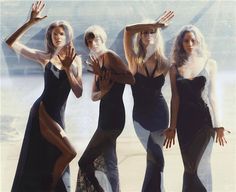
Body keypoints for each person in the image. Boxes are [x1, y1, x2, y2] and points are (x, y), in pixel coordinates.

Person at [6, 1, 83, 191]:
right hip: (42, 112)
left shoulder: (76, 61)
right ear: (50, 36)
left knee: (56, 156)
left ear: (68, 35)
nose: (57, 36)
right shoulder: (44, 57)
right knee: (68, 152)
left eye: (61, 33)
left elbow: (79, 92)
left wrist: (67, 68)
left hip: (59, 116)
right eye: (54, 33)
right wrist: (30, 22)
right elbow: (11, 43)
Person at [164, 24, 228, 192]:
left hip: (205, 122)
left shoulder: (210, 64)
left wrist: (219, 124)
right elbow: (175, 99)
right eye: (186, 41)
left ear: (199, 42)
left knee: (204, 165)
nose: (190, 44)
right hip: (184, 124)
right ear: (181, 43)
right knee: (190, 167)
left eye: (193, 40)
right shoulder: (174, 68)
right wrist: (172, 127)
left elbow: (213, 96)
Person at [75, 25, 134, 192]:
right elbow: (94, 96)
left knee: (84, 161)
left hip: (114, 117)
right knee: (110, 160)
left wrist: (106, 75)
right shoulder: (97, 63)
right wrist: (103, 83)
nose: (93, 43)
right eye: (89, 41)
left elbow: (130, 79)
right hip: (105, 117)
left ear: (103, 39)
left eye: (97, 39)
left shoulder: (110, 56)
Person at [123, 11, 174, 192]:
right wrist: (157, 24)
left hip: (161, 116)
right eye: (145, 32)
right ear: (140, 36)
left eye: (152, 31)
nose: (148, 34)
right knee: (155, 157)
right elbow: (128, 30)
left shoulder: (164, 62)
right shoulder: (133, 60)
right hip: (140, 118)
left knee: (156, 158)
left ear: (157, 36)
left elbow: (179, 90)